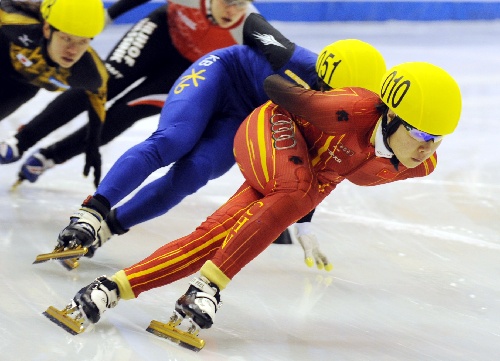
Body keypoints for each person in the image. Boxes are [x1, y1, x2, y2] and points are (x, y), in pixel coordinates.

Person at [44, 60, 461, 347]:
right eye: (422, 134)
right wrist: (296, 82)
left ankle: (107, 290)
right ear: (389, 116)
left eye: (438, 139)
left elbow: (329, 175)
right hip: (273, 125)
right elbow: (276, 89)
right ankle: (207, 289)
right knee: (295, 193)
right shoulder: (347, 110)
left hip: (303, 176)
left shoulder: (415, 165)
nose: (428, 149)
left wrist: (307, 222)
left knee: (213, 240)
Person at [7, 0, 259, 188]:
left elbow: (269, 71)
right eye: (227, 2)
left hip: (189, 69)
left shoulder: (252, 28)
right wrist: (110, 14)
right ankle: (22, 141)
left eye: (240, 4)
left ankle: (49, 156)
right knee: (104, 83)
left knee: (127, 111)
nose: (231, 11)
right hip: (160, 33)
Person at [0, 0, 107, 175]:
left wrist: (93, 146)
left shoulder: (89, 73)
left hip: (22, 89)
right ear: (47, 29)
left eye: (83, 42)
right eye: (66, 38)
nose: (72, 50)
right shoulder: (17, 24)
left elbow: (98, 102)